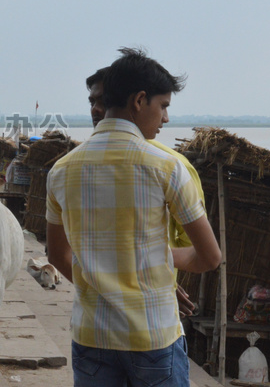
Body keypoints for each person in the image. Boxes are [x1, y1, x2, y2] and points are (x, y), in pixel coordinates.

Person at [46, 48, 221, 386]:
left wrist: (97, 280)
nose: (166, 118)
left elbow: (57, 256)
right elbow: (210, 257)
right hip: (152, 336)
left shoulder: (61, 171)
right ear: (140, 100)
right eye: (164, 105)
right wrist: (163, 255)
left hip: (91, 336)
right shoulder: (167, 167)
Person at [86, 67, 205, 316]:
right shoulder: (76, 168)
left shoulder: (173, 167)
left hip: (147, 306)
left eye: (104, 100)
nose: (98, 109)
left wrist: (157, 281)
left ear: (130, 100)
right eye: (93, 101)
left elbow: (187, 242)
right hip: (108, 310)